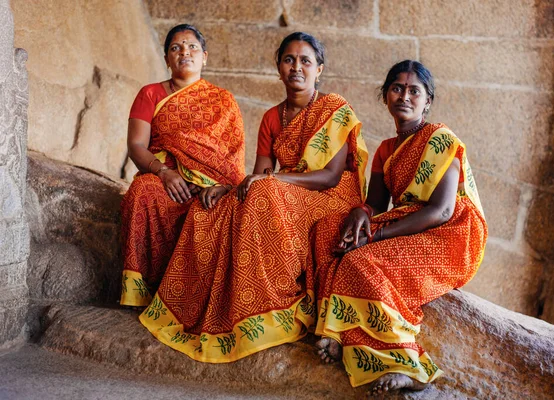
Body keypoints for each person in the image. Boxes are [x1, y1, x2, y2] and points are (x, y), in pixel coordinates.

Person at [139, 32, 369, 362]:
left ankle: (271, 304)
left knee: (262, 192)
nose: (297, 67)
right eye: (289, 60)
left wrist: (269, 180)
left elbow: (330, 176)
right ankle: (201, 307)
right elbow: (257, 176)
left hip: (330, 194)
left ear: (320, 68)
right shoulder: (273, 117)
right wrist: (228, 189)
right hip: (282, 190)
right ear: (278, 69)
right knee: (212, 208)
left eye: (306, 61)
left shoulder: (335, 108)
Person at [312, 60, 487, 395]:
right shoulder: (386, 150)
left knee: (361, 261)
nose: (404, 96)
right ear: (386, 97)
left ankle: (408, 365)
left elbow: (442, 210)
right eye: (397, 88)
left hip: (450, 234)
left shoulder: (441, 140)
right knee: (328, 233)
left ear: (427, 101)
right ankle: (337, 331)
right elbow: (377, 204)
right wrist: (361, 215)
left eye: (414, 90)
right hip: (406, 224)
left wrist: (376, 235)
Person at [120, 24, 245, 307]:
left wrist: (222, 186)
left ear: (205, 57)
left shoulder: (224, 101)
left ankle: (196, 299)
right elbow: (137, 145)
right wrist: (164, 173)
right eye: (175, 48)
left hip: (212, 184)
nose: (184, 52)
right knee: (142, 192)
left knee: (230, 209)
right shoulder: (150, 94)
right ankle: (144, 290)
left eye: (192, 47)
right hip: (165, 175)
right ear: (166, 59)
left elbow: (234, 156)